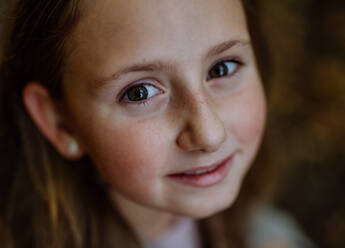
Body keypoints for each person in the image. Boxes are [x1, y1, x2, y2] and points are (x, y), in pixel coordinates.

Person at [0, 0, 314, 247]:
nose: (210, 134)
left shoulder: (250, 220)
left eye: (222, 68)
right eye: (140, 93)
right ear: (60, 122)